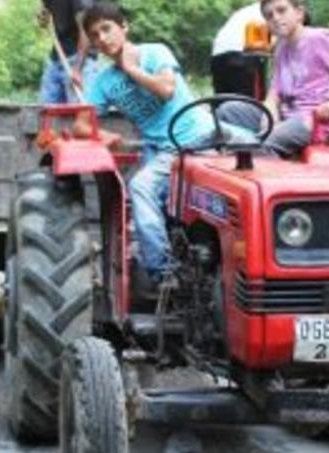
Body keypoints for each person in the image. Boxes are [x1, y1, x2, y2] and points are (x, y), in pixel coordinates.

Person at [74, 2, 252, 284]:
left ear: (124, 27)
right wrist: (105, 136)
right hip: (168, 151)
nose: (102, 39)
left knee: (266, 155)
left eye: (106, 29)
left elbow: (166, 90)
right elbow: (81, 125)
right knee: (140, 187)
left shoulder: (155, 52)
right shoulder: (104, 81)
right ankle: (164, 272)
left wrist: (131, 69)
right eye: (94, 35)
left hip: (204, 136)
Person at [219, 0, 329, 158]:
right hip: (288, 115)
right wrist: (269, 115)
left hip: (312, 120)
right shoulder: (280, 48)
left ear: (299, 13)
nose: (276, 18)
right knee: (227, 111)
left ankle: (262, 169)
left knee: (267, 142)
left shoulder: (319, 39)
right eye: (269, 15)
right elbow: (274, 95)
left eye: (281, 11)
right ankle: (228, 157)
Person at [38, 0, 98, 103]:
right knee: (46, 111)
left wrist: (78, 69)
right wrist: (43, 19)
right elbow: (46, 21)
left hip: (80, 60)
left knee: (81, 111)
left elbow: (86, 32)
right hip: (56, 59)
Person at [210, 2, 270, 100]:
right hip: (242, 57)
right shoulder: (273, 10)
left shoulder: (247, 11)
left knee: (223, 101)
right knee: (251, 104)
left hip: (217, 56)